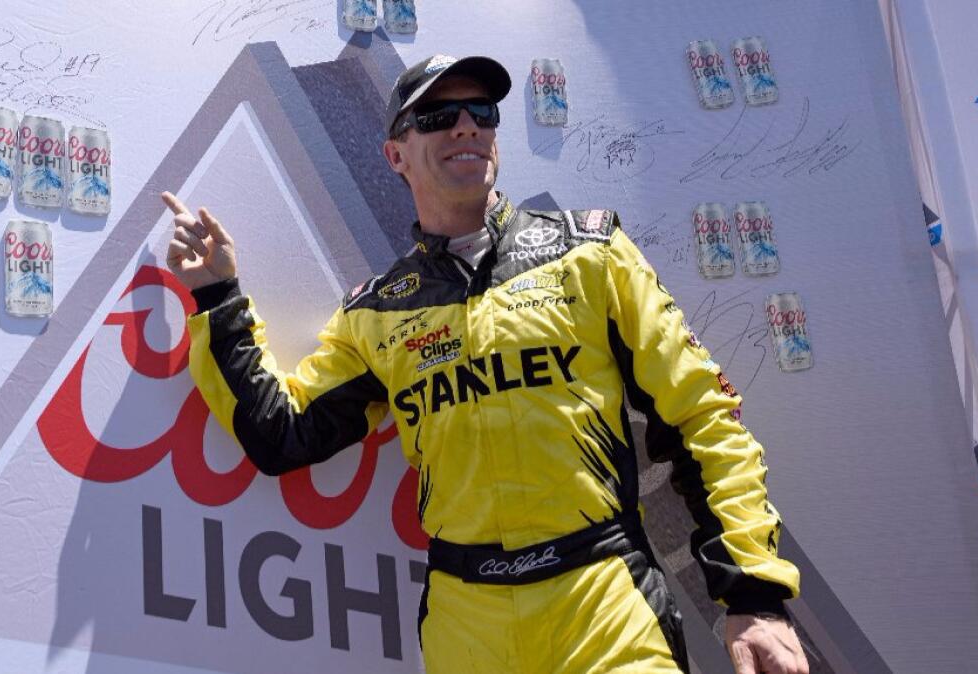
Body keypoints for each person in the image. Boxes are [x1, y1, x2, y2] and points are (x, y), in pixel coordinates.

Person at [163, 53, 808, 674]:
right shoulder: (377, 313)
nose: (466, 125)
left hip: (605, 602)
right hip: (466, 617)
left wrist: (752, 596)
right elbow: (282, 433)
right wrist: (218, 296)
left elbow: (702, 418)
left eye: (482, 111)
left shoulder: (591, 252)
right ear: (396, 155)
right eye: (438, 117)